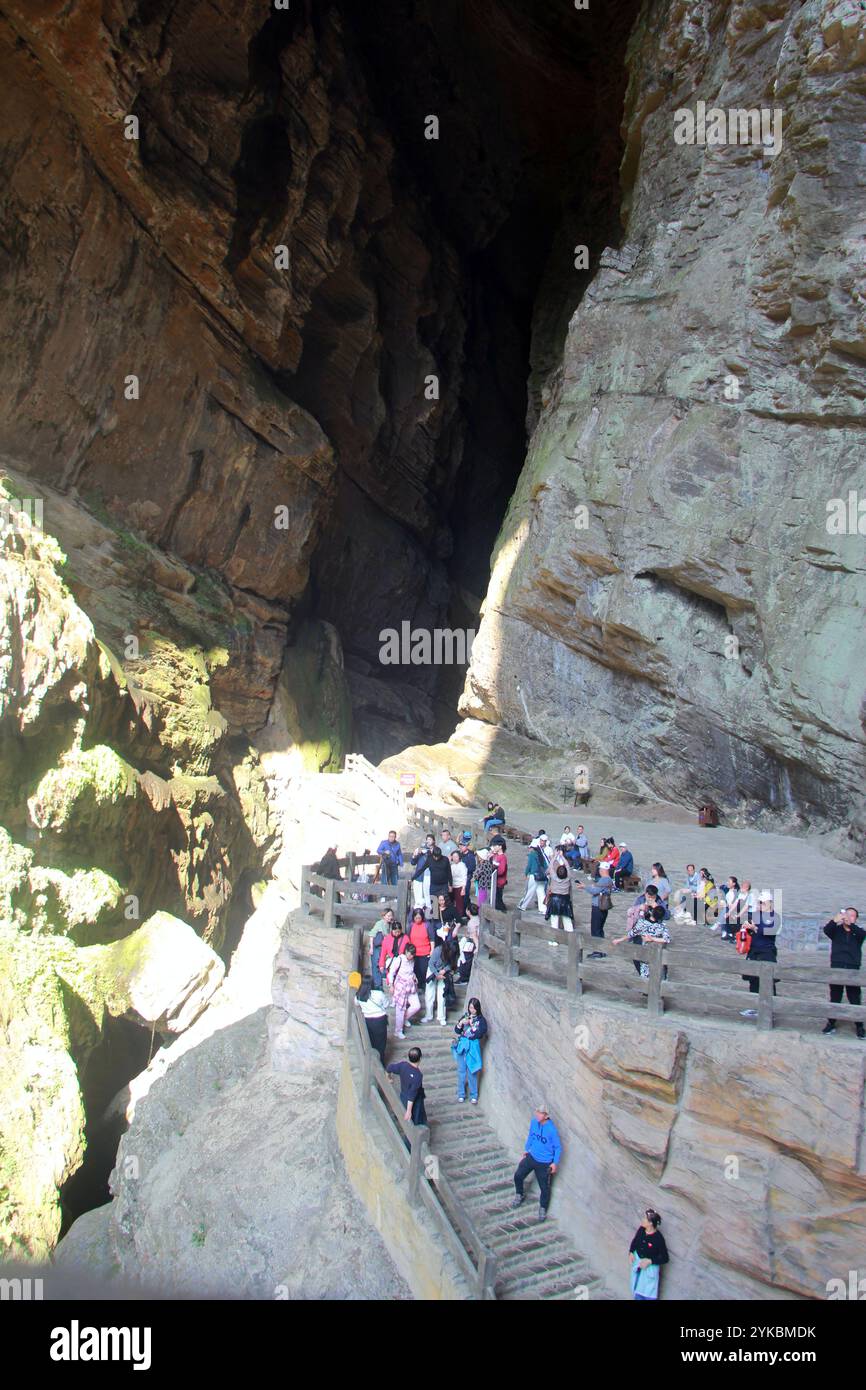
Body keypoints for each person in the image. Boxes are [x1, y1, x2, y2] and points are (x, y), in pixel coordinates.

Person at [511, 1104, 562, 1222]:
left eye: (540, 1113)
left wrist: (554, 1163)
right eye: (537, 1112)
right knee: (518, 1175)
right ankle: (519, 1194)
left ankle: (543, 1208)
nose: (537, 1114)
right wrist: (527, 1149)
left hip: (544, 1163)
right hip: (532, 1156)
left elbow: (558, 1147)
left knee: (545, 1188)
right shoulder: (534, 1122)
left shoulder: (551, 1130)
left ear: (546, 1116)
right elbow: (531, 1136)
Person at [822, 908, 865, 1038]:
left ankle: (859, 1026)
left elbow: (863, 935)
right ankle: (831, 1023)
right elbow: (827, 930)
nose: (849, 917)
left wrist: (851, 924)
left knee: (854, 997)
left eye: (852, 916)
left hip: (852, 968)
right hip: (837, 966)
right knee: (835, 996)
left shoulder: (858, 932)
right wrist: (836, 919)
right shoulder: (836, 931)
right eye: (847, 914)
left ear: (855, 919)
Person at [612, 885, 669, 977]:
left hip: (655, 932)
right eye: (649, 897)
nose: (651, 899)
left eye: (653, 897)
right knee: (637, 955)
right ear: (646, 894)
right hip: (640, 931)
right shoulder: (640, 899)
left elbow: (667, 915)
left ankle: (660, 978)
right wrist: (640, 908)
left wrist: (657, 907)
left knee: (658, 958)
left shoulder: (659, 902)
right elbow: (632, 913)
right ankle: (644, 979)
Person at [740, 891, 779, 1017]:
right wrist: (746, 928)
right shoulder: (756, 915)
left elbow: (769, 931)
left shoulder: (774, 916)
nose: (760, 905)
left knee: (768, 982)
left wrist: (754, 928)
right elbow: (751, 930)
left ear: (770, 904)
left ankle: (770, 1010)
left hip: (767, 951)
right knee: (753, 980)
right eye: (759, 902)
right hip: (754, 950)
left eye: (762, 903)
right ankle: (754, 1007)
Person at [453, 997, 488, 1103]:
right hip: (462, 1046)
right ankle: (461, 1093)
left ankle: (474, 1095)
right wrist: (461, 1023)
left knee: (472, 1071)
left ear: (477, 1009)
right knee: (461, 1071)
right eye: (470, 1007)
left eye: (473, 1008)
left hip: (473, 1047)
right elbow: (457, 1030)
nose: (471, 1010)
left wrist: (472, 1027)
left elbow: (480, 1033)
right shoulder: (465, 1016)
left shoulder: (481, 1020)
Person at [575, 862, 613, 958]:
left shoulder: (605, 880)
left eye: (600, 869)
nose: (599, 870)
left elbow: (595, 890)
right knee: (599, 929)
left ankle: (598, 950)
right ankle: (601, 950)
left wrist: (585, 887)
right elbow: (597, 888)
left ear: (603, 870)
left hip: (598, 907)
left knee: (596, 929)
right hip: (601, 907)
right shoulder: (607, 880)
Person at [629, 1209, 669, 1300]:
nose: (642, 1220)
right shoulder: (642, 1230)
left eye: (645, 1219)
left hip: (649, 1271)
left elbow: (665, 1258)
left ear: (650, 1223)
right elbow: (635, 1240)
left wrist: (650, 1261)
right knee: (636, 1289)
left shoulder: (658, 1238)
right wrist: (631, 1252)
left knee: (647, 1294)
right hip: (638, 1265)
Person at [388, 943, 422, 1038]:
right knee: (400, 1009)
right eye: (410, 954)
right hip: (400, 987)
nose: (411, 956)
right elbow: (391, 972)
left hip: (411, 985)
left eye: (413, 954)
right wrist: (391, 985)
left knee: (416, 1006)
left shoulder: (412, 960)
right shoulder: (399, 959)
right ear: (406, 951)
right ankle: (398, 1031)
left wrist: (414, 977)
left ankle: (404, 1019)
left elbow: (411, 971)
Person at [386, 1046, 427, 1125]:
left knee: (403, 1110)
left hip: (403, 1094)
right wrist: (409, 1111)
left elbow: (389, 1067)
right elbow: (412, 1095)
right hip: (414, 1100)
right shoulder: (418, 1076)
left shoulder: (403, 1065)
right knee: (415, 1118)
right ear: (420, 1058)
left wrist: (388, 1077)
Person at [356, 979, 388, 1065]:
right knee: (381, 1042)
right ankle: (381, 1062)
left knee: (372, 1041)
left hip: (368, 1021)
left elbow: (356, 1003)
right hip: (380, 1020)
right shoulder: (379, 994)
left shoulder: (359, 995)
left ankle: (373, 1062)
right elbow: (386, 1004)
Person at [423, 938, 451, 1025]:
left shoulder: (452, 952)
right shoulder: (437, 951)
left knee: (442, 994)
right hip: (433, 970)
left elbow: (451, 964)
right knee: (429, 994)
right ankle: (428, 1015)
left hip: (443, 972)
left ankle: (441, 1016)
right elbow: (431, 964)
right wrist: (436, 974)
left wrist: (445, 970)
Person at [406, 908, 435, 991]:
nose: (418, 920)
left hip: (424, 953)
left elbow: (431, 939)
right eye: (416, 918)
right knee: (415, 971)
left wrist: (432, 950)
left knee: (423, 971)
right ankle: (416, 987)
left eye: (419, 918)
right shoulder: (411, 925)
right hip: (414, 953)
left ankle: (423, 987)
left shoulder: (427, 925)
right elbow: (408, 938)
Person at [520, 838, 548, 912]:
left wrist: (526, 873)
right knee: (541, 892)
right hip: (542, 876)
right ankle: (543, 909)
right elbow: (545, 865)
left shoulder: (532, 854)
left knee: (530, 891)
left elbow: (529, 865)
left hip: (534, 875)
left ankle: (523, 906)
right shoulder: (541, 854)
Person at [545, 860, 575, 932]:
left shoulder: (554, 877)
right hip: (565, 900)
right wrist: (562, 856)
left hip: (554, 900)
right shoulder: (568, 878)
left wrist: (555, 856)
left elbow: (551, 866)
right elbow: (567, 866)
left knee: (554, 921)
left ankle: (554, 940)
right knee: (567, 920)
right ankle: (571, 938)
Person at [370, 908, 395, 988]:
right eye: (388, 915)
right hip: (377, 947)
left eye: (391, 915)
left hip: (384, 947)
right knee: (376, 965)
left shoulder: (390, 925)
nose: (390, 917)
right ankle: (377, 985)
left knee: (382, 965)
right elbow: (372, 935)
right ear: (384, 916)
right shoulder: (379, 923)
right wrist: (371, 948)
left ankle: (380, 985)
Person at [410, 835, 435, 910]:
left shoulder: (433, 853)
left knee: (427, 897)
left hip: (428, 877)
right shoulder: (420, 853)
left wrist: (428, 852)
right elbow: (413, 863)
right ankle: (417, 912)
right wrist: (414, 855)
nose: (428, 841)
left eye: (430, 839)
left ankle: (428, 913)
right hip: (419, 877)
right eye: (427, 839)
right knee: (418, 897)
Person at [426, 847, 452, 917]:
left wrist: (450, 884)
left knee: (444, 903)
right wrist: (413, 878)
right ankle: (435, 919)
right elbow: (421, 869)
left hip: (443, 885)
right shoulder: (429, 859)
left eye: (438, 857)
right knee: (434, 903)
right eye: (435, 857)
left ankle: (446, 918)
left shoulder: (445, 859)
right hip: (434, 885)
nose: (437, 858)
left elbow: (449, 872)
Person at [716, 875, 741, 940]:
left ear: (734, 884)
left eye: (729, 882)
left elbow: (733, 905)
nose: (727, 883)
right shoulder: (729, 891)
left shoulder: (734, 893)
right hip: (729, 912)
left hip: (732, 913)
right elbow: (719, 888)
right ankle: (728, 931)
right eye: (727, 881)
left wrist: (725, 905)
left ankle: (730, 933)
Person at [450, 850, 468, 915]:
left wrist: (463, 889)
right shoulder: (452, 865)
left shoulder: (462, 865)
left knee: (459, 903)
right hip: (453, 886)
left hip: (459, 886)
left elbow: (464, 877)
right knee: (452, 902)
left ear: (459, 857)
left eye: (456, 857)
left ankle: (460, 917)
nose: (455, 858)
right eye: (453, 857)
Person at [491, 843, 508, 912]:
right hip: (494, 881)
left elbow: (501, 871)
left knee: (498, 898)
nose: (494, 847)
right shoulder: (496, 856)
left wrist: (494, 870)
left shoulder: (503, 857)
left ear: (500, 847)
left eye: (495, 846)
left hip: (499, 882)